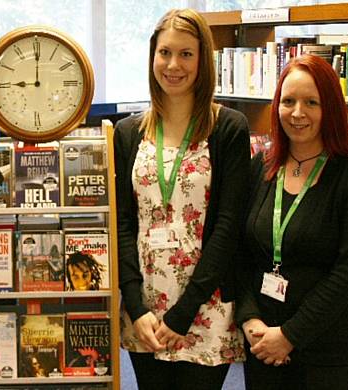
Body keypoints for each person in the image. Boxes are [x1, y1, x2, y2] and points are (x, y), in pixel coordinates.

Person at [114, 8, 249, 389]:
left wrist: (183, 313)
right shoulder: (127, 133)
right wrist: (136, 306)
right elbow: (124, 223)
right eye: (165, 53)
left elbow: (228, 226)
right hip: (146, 311)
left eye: (186, 54)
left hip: (205, 307)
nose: (173, 65)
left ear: (203, 60)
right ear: (152, 56)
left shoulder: (228, 128)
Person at [235, 54, 348, 389]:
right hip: (262, 343)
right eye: (288, 101)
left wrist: (289, 336)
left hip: (324, 352)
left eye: (311, 102)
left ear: (329, 108)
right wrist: (248, 317)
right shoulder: (262, 167)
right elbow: (240, 254)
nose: (297, 113)